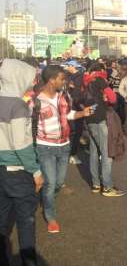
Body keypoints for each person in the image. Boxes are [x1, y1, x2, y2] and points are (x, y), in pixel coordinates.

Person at [33, 65, 93, 233]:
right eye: (62, 78)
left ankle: (47, 198)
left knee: (58, 182)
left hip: (64, 146)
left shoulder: (63, 96)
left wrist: (82, 114)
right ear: (52, 80)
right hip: (45, 147)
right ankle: (50, 215)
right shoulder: (35, 100)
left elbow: (67, 115)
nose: (65, 81)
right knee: (51, 183)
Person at [0, 59, 44, 266]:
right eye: (30, 77)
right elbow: (21, 145)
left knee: (1, 220)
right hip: (18, 171)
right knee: (26, 221)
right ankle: (29, 262)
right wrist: (35, 171)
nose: (32, 82)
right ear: (19, 77)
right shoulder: (18, 105)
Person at [84, 75, 124, 197]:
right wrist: (105, 99)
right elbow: (113, 98)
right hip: (100, 120)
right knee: (106, 153)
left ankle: (96, 184)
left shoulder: (86, 81)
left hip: (89, 119)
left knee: (94, 152)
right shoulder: (100, 80)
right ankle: (107, 187)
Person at [64, 60, 85, 165]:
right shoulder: (68, 75)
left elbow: (75, 89)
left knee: (76, 130)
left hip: (76, 106)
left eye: (68, 66)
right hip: (68, 106)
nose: (66, 67)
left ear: (73, 66)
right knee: (72, 131)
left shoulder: (79, 76)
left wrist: (70, 85)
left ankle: (73, 154)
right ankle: (71, 154)